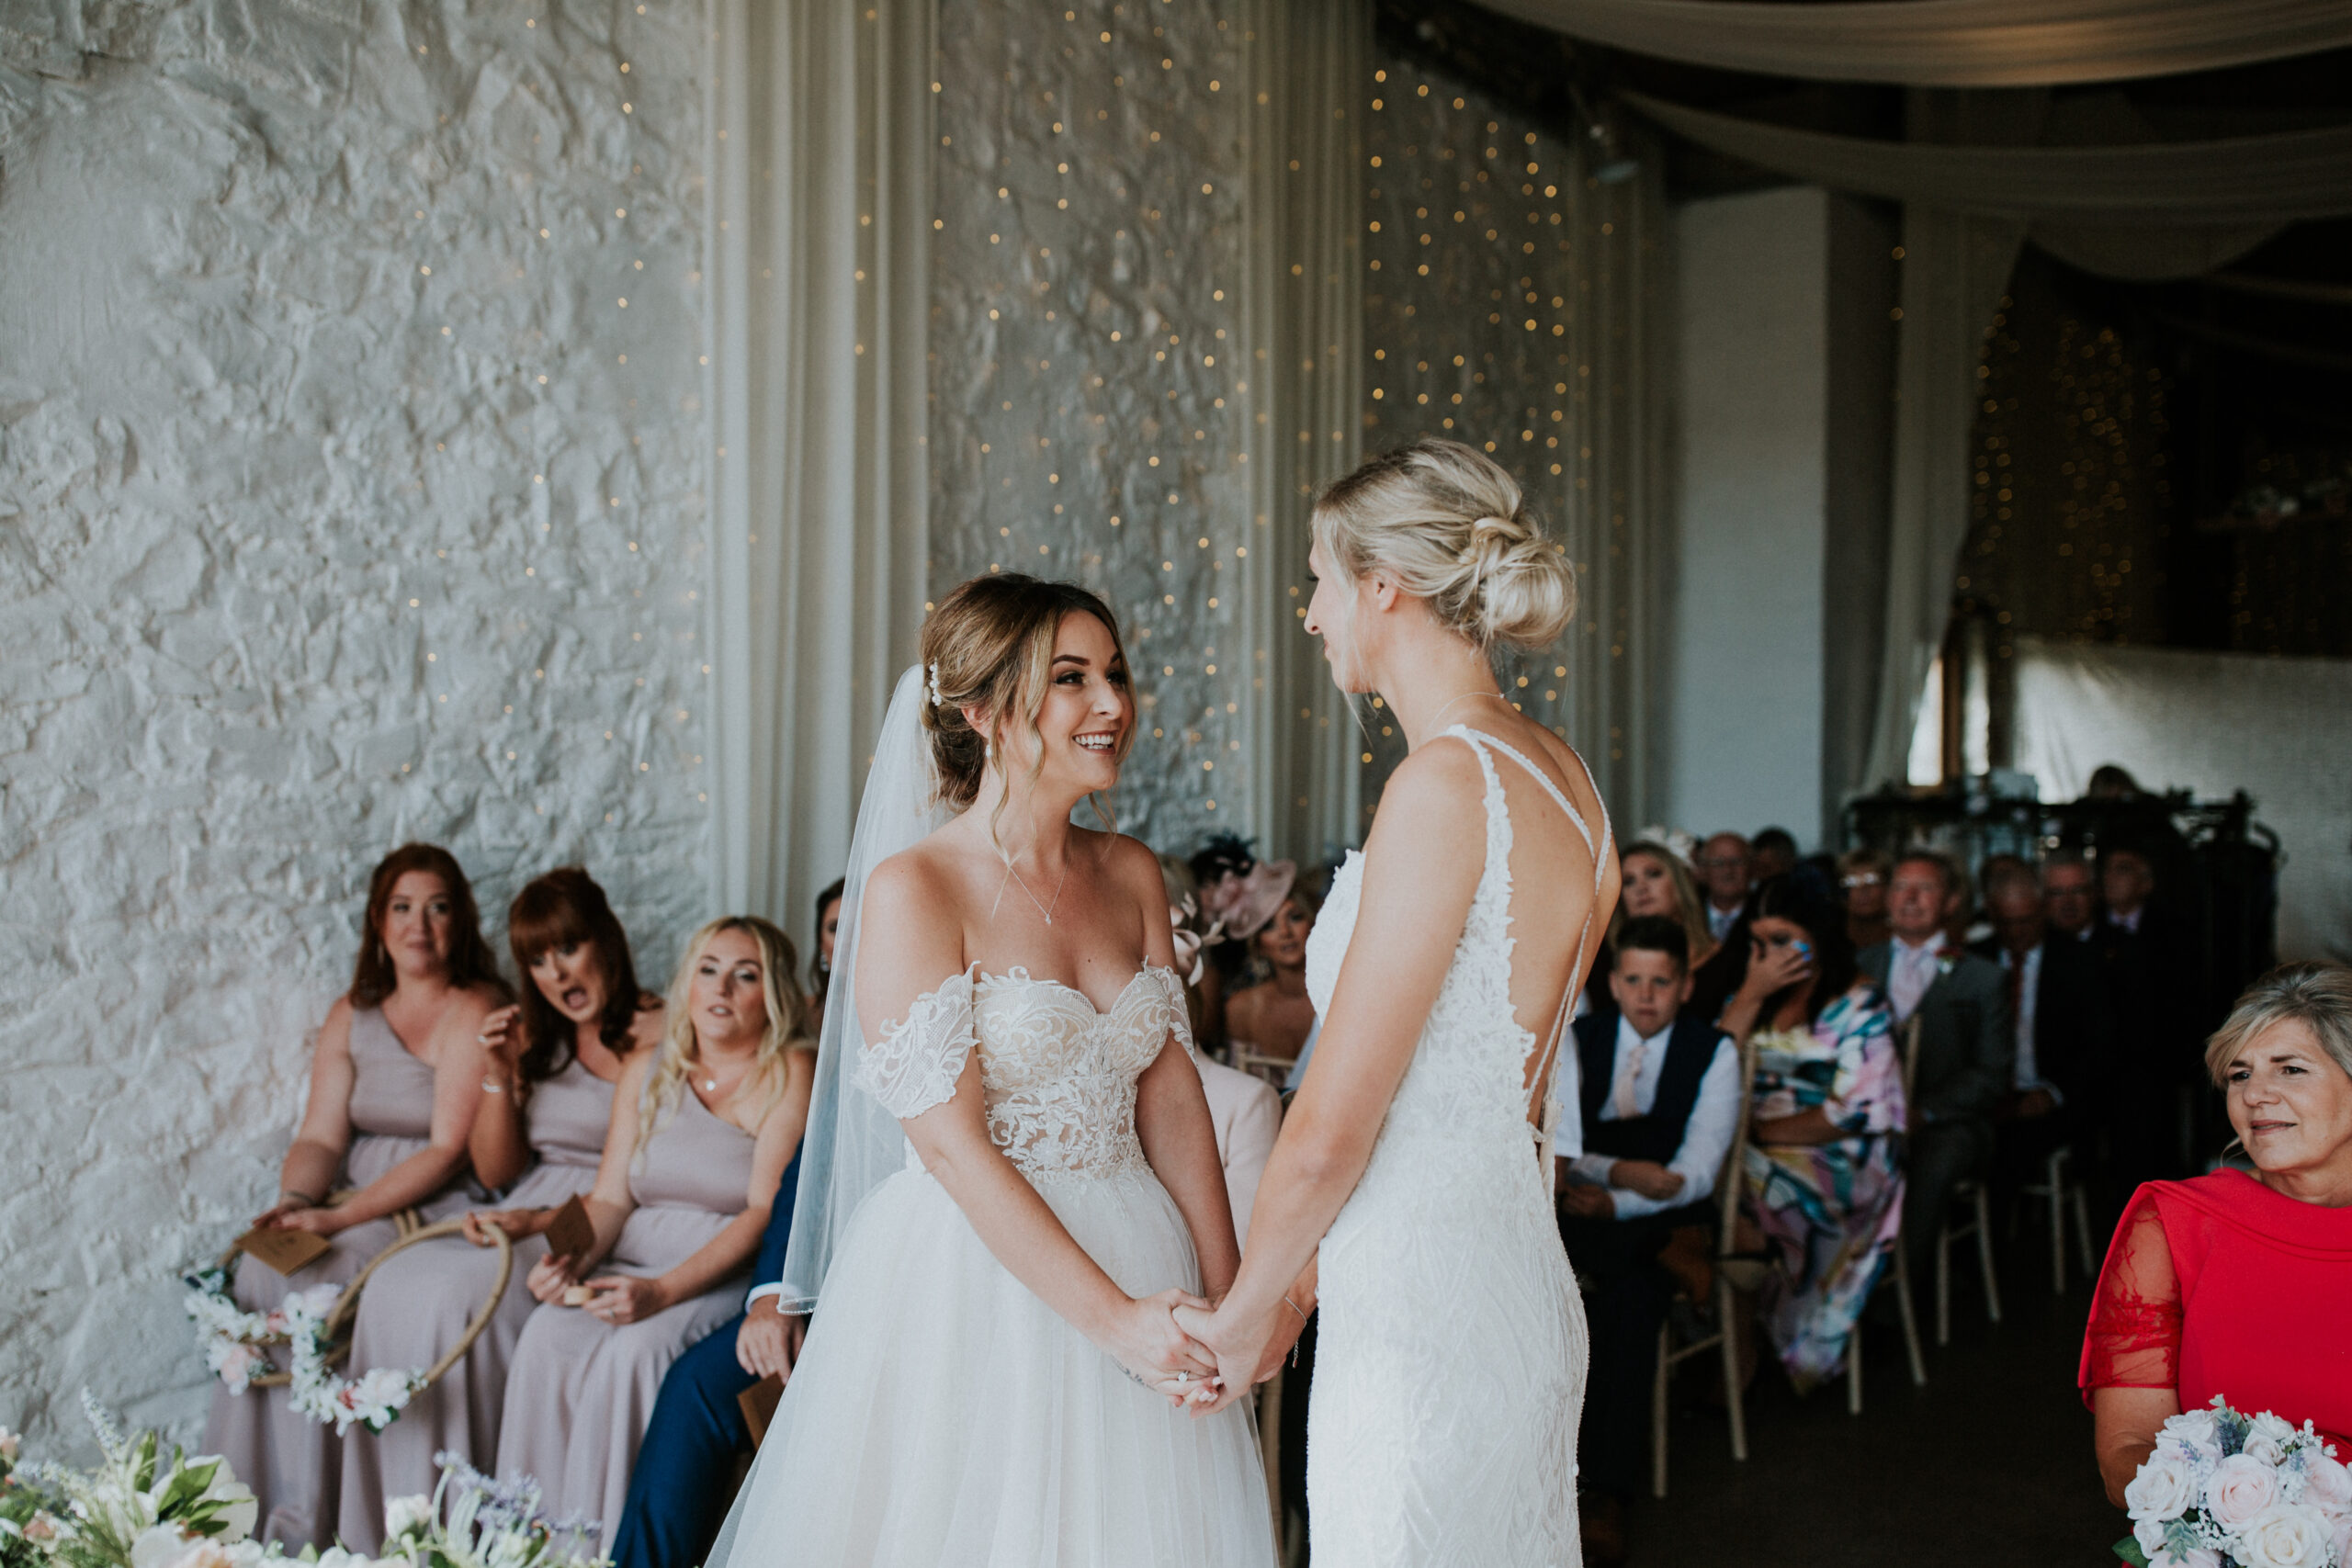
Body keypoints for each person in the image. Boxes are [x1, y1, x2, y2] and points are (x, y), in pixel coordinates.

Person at [706, 576, 1272, 1568]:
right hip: (975, 1281)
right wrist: (1119, 1327)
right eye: (1069, 679)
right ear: (980, 711)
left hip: (1146, 1246)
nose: (1111, 705)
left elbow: (1170, 1094)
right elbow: (953, 1149)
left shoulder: (1132, 871)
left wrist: (1231, 1301)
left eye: (1115, 674)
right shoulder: (915, 888)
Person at [1177, 436, 1619, 1562]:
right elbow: (1500, 1100)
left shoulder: (1441, 784)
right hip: (1511, 1278)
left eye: (1322, 580)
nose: (1314, 615)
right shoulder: (1569, 782)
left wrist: (1244, 1315)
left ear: (1384, 586)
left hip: (1423, 1317)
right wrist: (1306, 1284)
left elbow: (1333, 1125)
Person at [337, 867, 663, 1550]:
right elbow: (496, 1169)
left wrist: (535, 1224)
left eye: (567, 948)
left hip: (597, 1222)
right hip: (523, 1202)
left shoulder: (659, 1029)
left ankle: (467, 1519)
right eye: (536, 959)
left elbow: (639, 1179)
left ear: (606, 939)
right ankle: (393, 1530)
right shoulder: (539, 1037)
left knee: (456, 1296)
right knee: (398, 1281)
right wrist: (498, 1068)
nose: (554, 972)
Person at [204, 844, 504, 1547]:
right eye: (402, 907)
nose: (418, 925)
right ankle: (258, 1503)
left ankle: (330, 1515)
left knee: (327, 1281)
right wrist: (295, 1197)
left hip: (422, 1202)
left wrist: (338, 1216)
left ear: (459, 920)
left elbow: (446, 1148)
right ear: (378, 920)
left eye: (436, 907)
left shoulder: (475, 1005)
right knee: (263, 1269)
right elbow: (320, 1131)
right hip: (341, 1194)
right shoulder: (353, 1011)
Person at [495, 917, 813, 1552]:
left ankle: (603, 1546)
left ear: (772, 992)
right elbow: (611, 1196)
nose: (722, 986)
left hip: (712, 1272)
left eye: (745, 974)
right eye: (708, 968)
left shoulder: (789, 1071)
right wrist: (570, 1256)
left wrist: (662, 1292)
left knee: (635, 1354)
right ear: (687, 982)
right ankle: (526, 1543)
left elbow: (761, 1212)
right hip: (631, 1257)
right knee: (546, 1335)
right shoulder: (647, 1068)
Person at [2084, 963, 2352, 1508]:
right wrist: (2256, 1527)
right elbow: (2125, 1456)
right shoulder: (2172, 1224)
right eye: (2239, 1074)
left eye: (2290, 1069)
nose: (2255, 1095)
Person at [1556, 917, 1740, 1562]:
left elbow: (1693, 1174)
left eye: (1661, 981)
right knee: (1554, 1293)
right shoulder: (1580, 1037)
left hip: (1662, 1215)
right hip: (1588, 1208)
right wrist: (1615, 1173)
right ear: (1611, 982)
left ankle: (1604, 1492)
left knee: (1628, 1308)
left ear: (1686, 985)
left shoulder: (1713, 1050)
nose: (1645, 994)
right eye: (1632, 979)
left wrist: (1620, 1198)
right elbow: (1560, 1148)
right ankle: (1544, 1473)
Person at [1726, 875, 1905, 1390]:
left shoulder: (1858, 1003)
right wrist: (1749, 993)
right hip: (1752, 1146)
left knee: (1742, 1198)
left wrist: (1757, 1131)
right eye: (1758, 944)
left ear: (1818, 937)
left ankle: (1759, 1344)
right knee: (1718, 1189)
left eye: (1783, 941)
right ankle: (1735, 1332)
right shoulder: (1755, 996)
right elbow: (1708, 1069)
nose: (1768, 956)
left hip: (1846, 1153)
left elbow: (1855, 1111)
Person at [1859, 851, 2013, 1288]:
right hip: (1868, 1115)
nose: (1910, 898)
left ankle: (1892, 1298)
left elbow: (1991, 1074)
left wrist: (1923, 1113)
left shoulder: (1984, 978)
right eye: (1900, 887)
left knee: (1930, 1165)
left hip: (1949, 1124)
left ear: (1949, 902)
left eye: (1925, 888)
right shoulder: (1858, 968)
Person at [1969, 864, 2110, 1212]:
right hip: (1986, 1098)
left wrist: (2052, 1092)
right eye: (2007, 923)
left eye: (2027, 921)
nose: (2017, 933)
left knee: (2009, 1148)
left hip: (2052, 1095)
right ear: (1991, 914)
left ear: (2042, 910)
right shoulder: (1975, 960)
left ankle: (1996, 1252)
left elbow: (2100, 1047)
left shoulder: (2080, 961)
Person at [1224, 886, 1319, 1081]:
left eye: (1295, 917)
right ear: (1257, 943)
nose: (1285, 932)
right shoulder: (1241, 1009)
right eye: (1269, 926)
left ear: (1314, 923)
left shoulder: (1339, 999)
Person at [1695, 832, 1752, 945]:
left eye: (1737, 862)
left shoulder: (1767, 912)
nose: (1728, 871)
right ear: (1703, 870)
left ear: (1752, 868)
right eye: (1718, 863)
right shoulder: (1686, 915)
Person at [1839, 848, 1894, 953]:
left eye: (1872, 881)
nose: (1862, 890)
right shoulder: (1828, 940)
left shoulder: (1904, 938)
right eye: (1852, 882)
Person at [808, 877, 844, 1029]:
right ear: (821, 943)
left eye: (858, 926)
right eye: (835, 928)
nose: (846, 939)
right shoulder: (803, 1015)